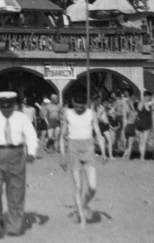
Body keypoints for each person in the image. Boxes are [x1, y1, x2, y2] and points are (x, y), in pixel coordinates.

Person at [0, 92, 39, 239]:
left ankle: (13, 226)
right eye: (3, 107)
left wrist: (31, 151)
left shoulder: (21, 118)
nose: (6, 110)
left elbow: (31, 134)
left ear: (14, 105)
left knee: (16, 192)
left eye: (9, 107)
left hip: (16, 155)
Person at [59, 94, 107, 227]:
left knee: (92, 187)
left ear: (86, 104)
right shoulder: (67, 113)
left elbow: (97, 132)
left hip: (88, 149)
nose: (79, 109)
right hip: (73, 149)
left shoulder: (91, 113)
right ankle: (82, 219)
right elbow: (62, 136)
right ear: (73, 102)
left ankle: (85, 204)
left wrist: (103, 152)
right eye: (77, 107)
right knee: (78, 187)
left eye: (82, 107)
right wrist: (62, 156)